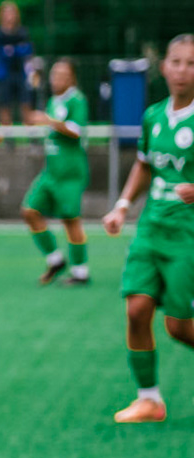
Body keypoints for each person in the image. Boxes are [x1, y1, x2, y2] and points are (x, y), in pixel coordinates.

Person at [103, 33, 194, 424]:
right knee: (137, 309)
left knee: (179, 326)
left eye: (191, 64)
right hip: (151, 227)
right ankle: (149, 400)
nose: (182, 71)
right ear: (163, 67)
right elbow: (143, 163)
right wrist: (122, 206)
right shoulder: (154, 115)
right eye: (176, 62)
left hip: (187, 234)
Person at [23, 58, 92, 286]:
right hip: (50, 172)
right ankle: (55, 260)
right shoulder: (53, 100)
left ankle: (80, 272)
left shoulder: (77, 100)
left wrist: (49, 121)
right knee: (30, 210)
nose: (56, 79)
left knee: (70, 220)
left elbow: (75, 130)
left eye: (62, 75)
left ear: (71, 78)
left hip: (70, 173)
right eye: (54, 75)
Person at [0, 4, 36, 129]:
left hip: (21, 74)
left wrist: (12, 51)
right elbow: (0, 52)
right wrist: (16, 51)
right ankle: (7, 138)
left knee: (26, 103)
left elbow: (27, 51)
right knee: (4, 105)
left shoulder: (22, 32)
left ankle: (31, 137)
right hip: (4, 75)